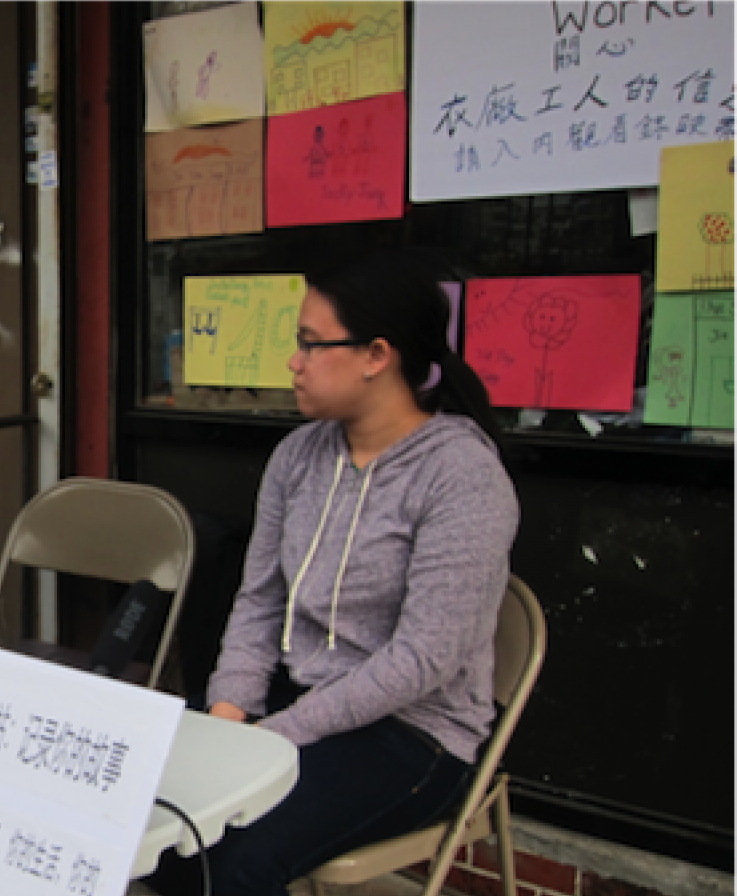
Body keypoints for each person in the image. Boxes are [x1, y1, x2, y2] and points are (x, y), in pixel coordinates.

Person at [164, 251, 520, 896]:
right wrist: (227, 710)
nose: (293, 363)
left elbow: (424, 659)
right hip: (290, 695)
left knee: (222, 859)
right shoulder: (298, 454)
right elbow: (260, 600)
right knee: (138, 805)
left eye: (308, 344)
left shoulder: (462, 476)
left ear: (375, 355)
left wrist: (273, 740)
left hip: (414, 734)